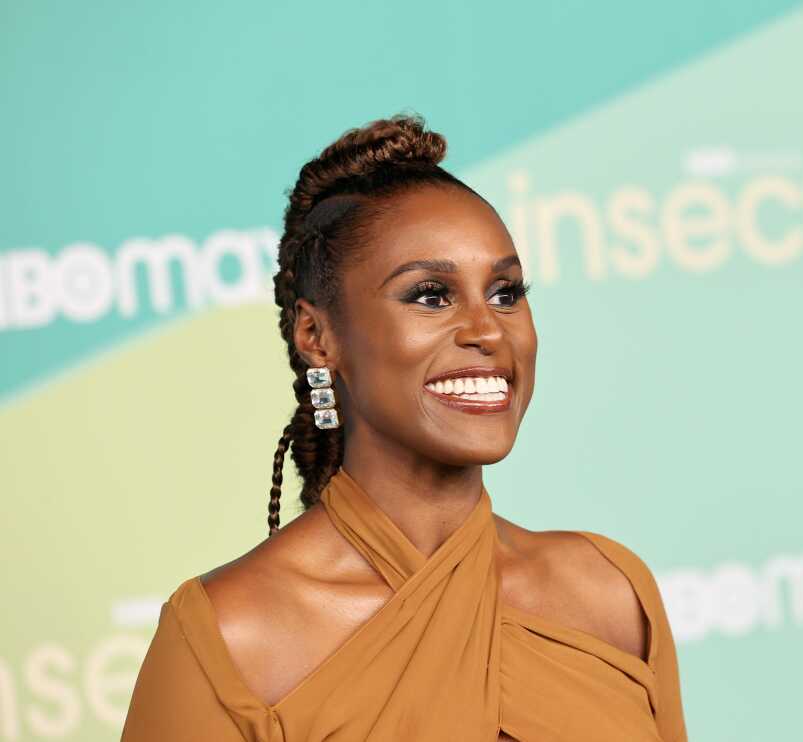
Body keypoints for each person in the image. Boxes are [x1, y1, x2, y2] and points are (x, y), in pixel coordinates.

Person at [120, 114, 689, 742]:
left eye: (505, 292)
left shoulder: (609, 591)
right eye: (430, 295)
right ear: (317, 336)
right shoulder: (230, 635)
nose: (487, 330)